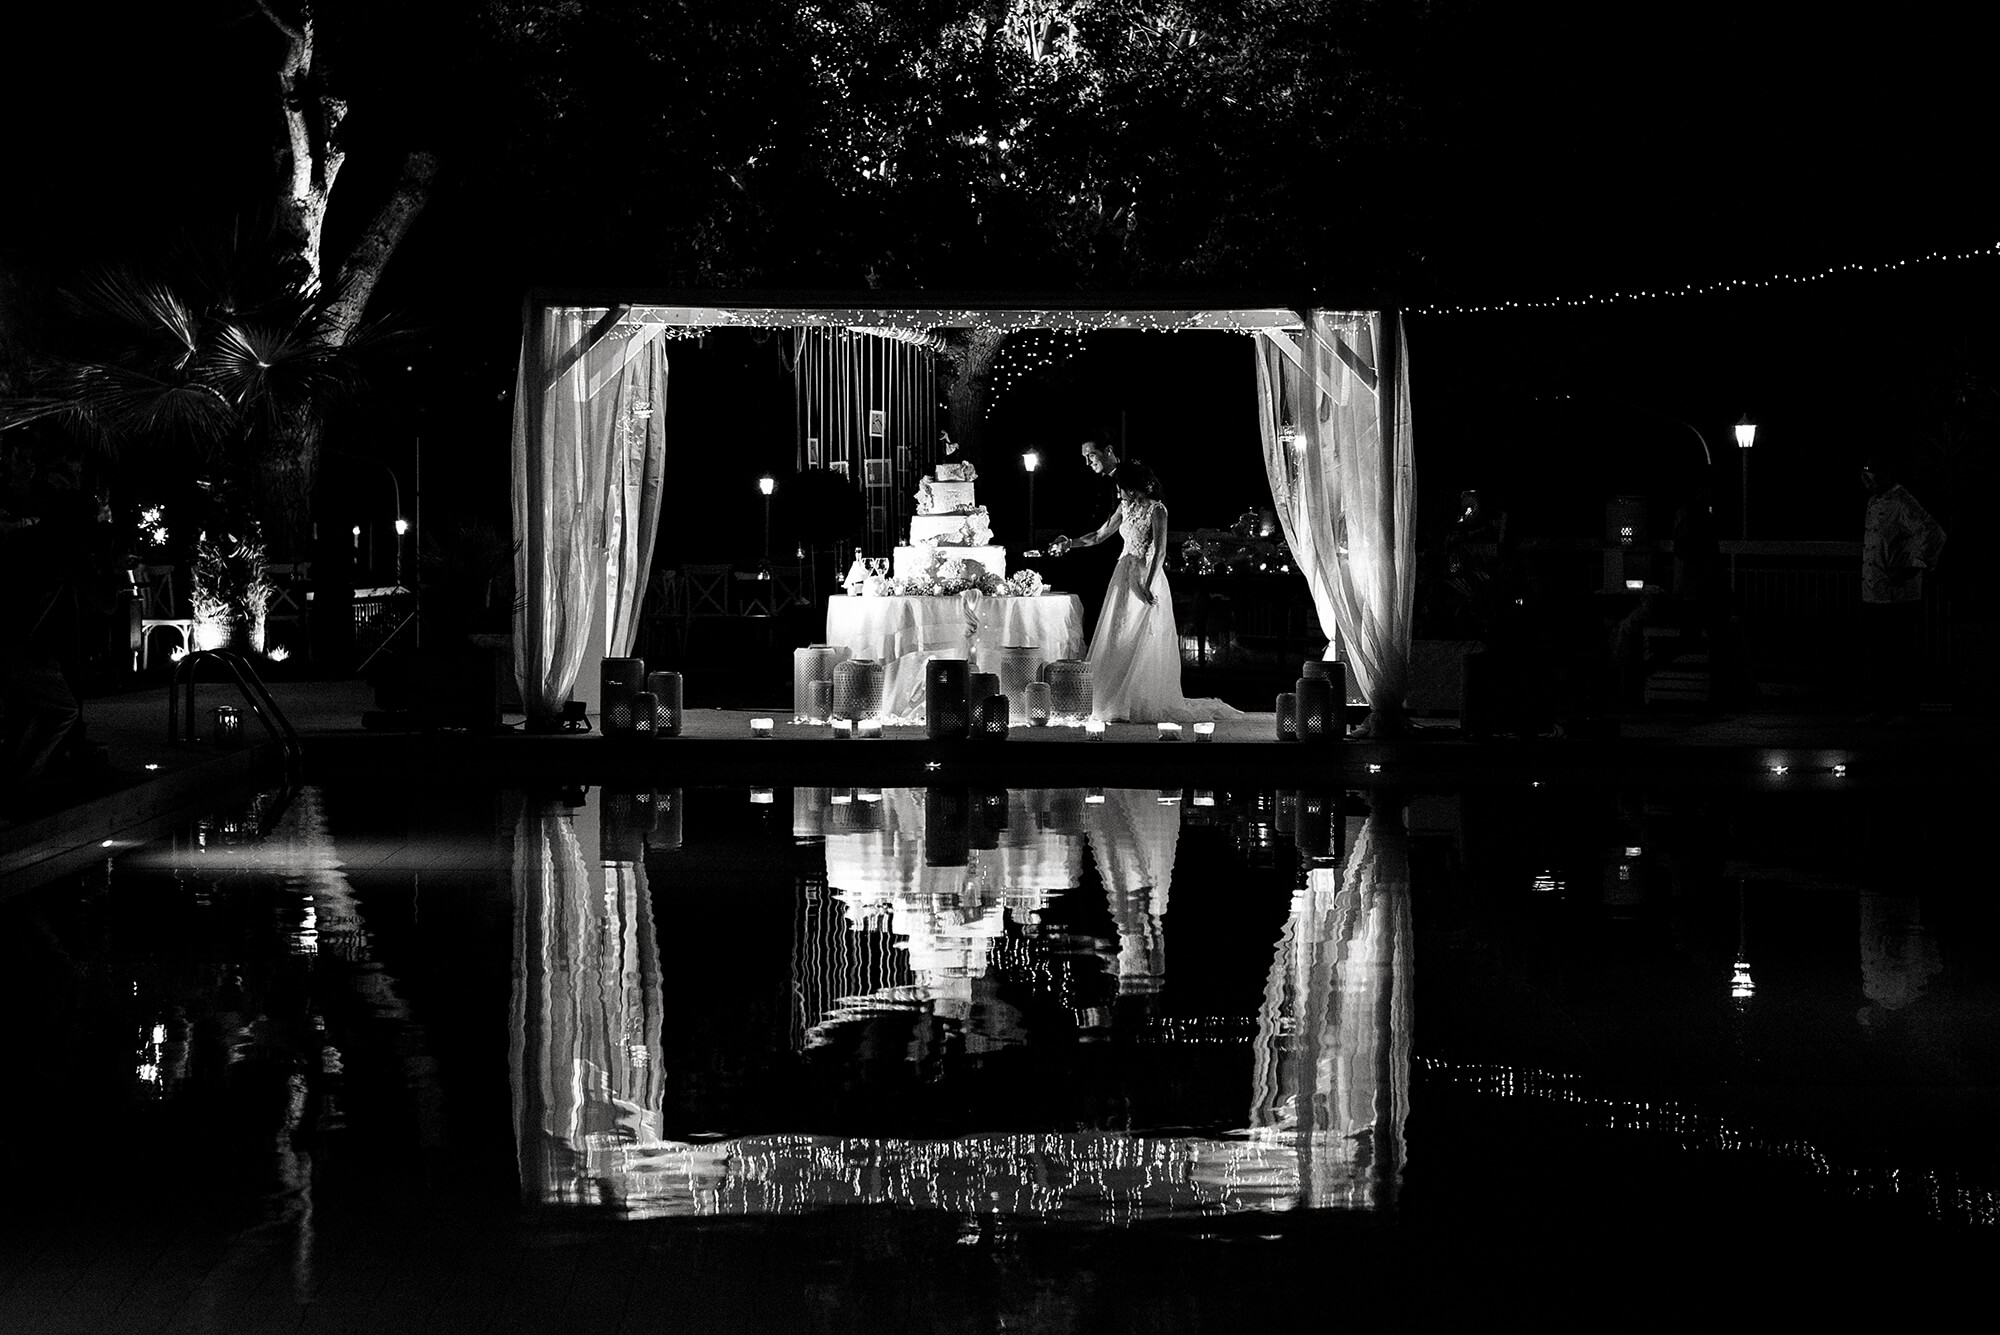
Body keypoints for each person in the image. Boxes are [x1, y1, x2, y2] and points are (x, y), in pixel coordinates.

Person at [1049, 463, 1238, 723]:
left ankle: (1137, 699)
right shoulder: (1125, 508)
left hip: (1145, 573)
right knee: (1118, 632)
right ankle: (1112, 696)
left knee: (1141, 636)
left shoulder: (1156, 510)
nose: (1118, 493)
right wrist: (1070, 543)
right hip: (1123, 573)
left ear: (1133, 486)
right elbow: (1099, 535)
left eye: (1121, 488)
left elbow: (1160, 551)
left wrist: (1148, 584)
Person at [1856, 456, 1947, 724]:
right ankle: (1883, 707)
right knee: (1880, 653)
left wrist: (1910, 567)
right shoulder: (1875, 502)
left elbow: (1933, 533)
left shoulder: (1902, 501)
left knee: (1899, 652)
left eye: (1871, 473)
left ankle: (1904, 709)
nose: (1867, 479)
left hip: (1898, 593)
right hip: (1875, 591)